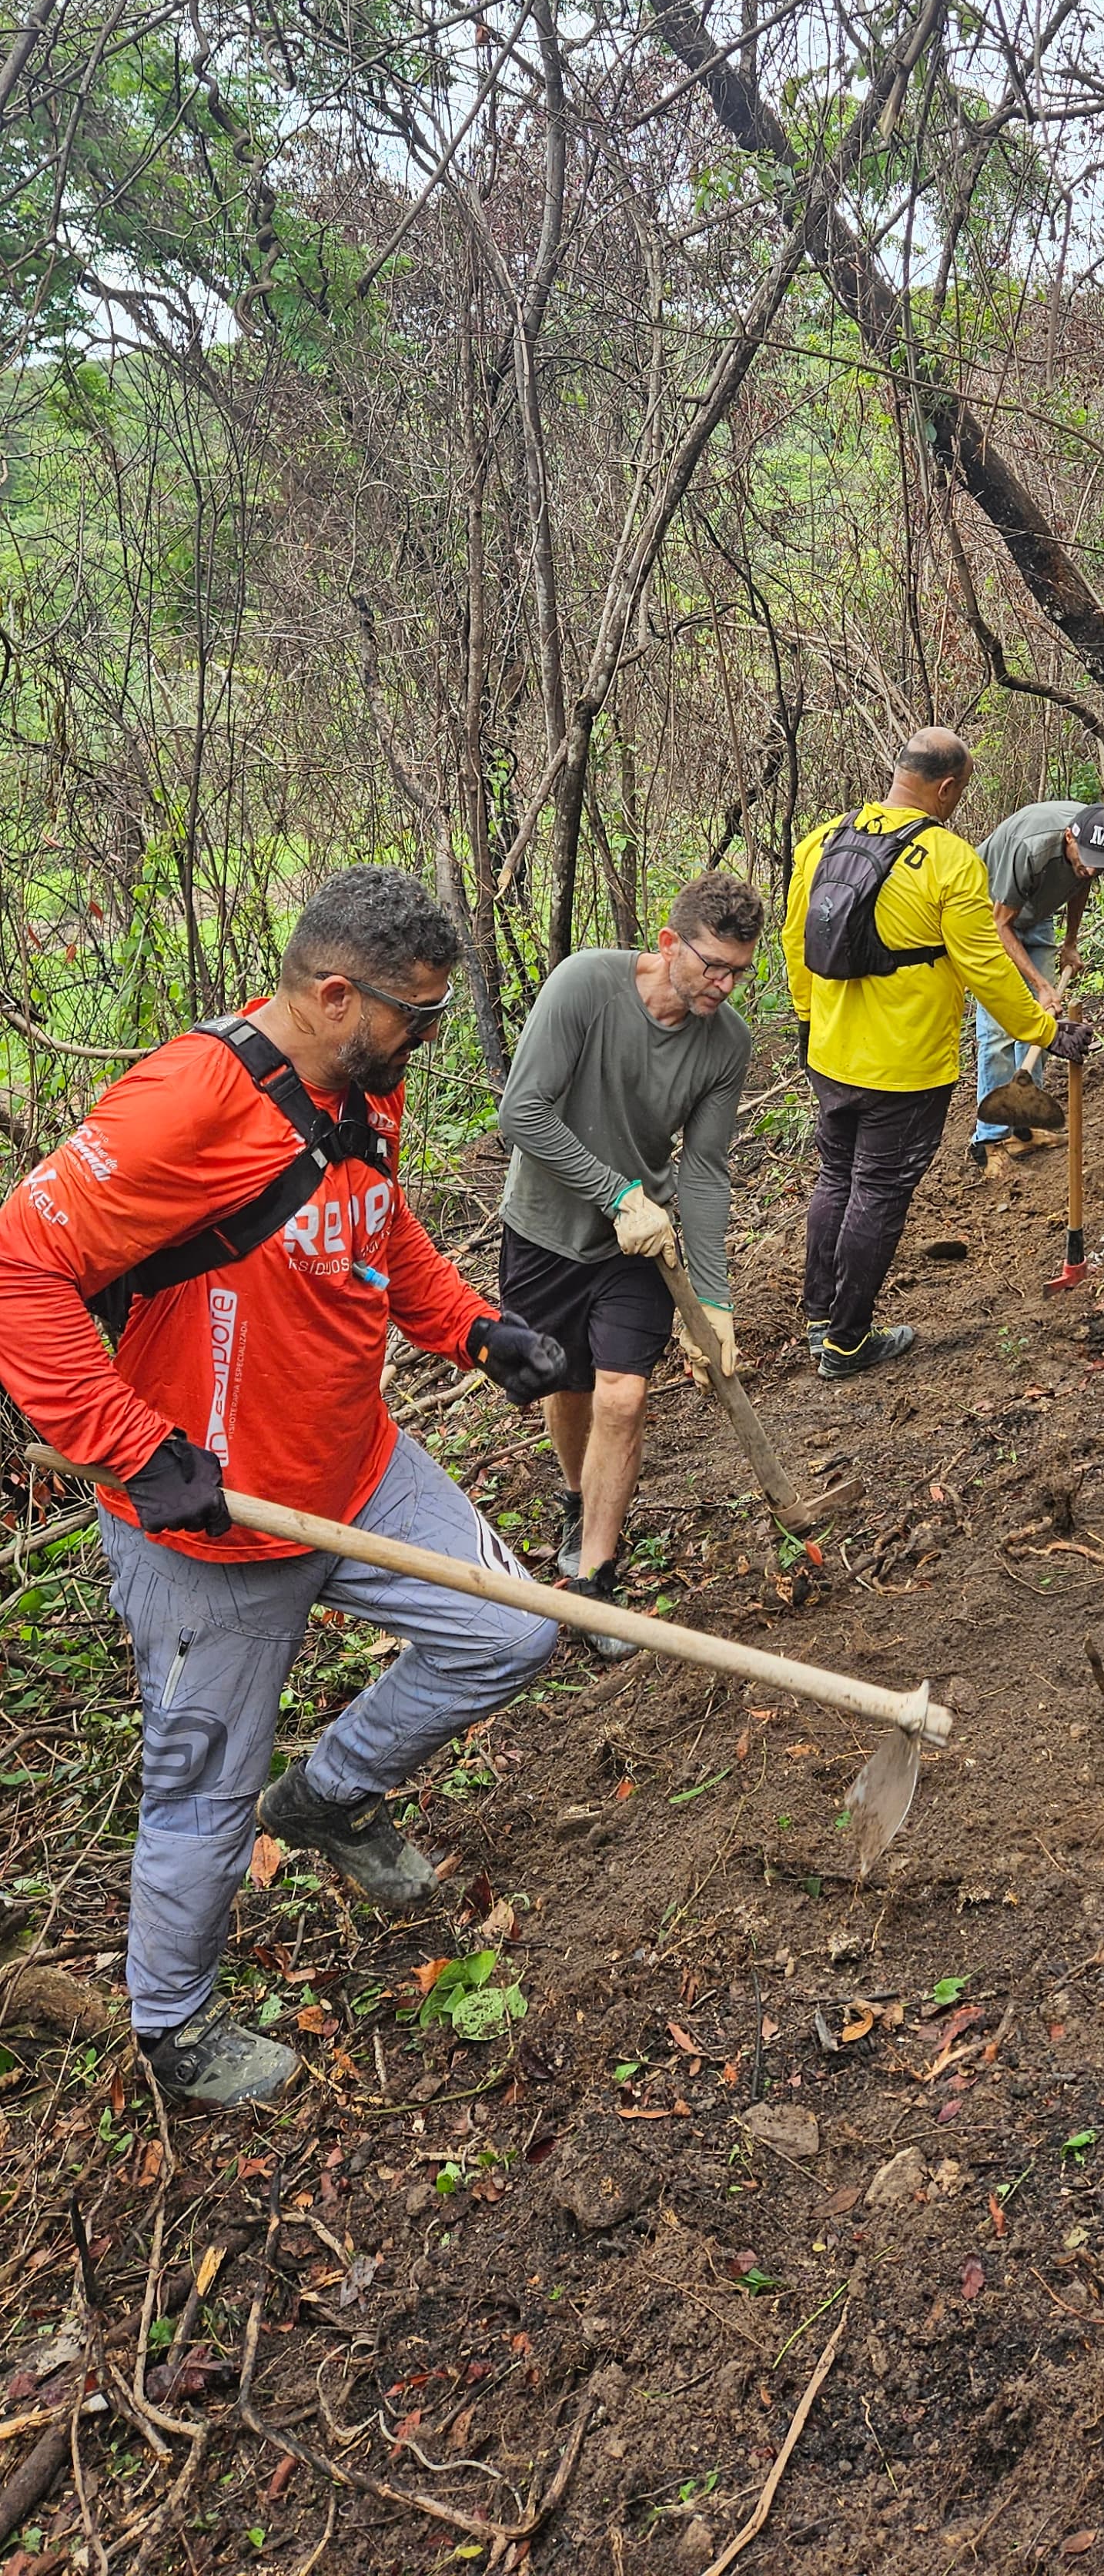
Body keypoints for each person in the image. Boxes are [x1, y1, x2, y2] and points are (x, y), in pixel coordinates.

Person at [0, 866, 570, 2110]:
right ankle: (170, 2024)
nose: (425, 1040)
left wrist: (474, 1331)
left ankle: (328, 1796)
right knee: (201, 1788)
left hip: (356, 1467)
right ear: (331, 992)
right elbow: (18, 1266)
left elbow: (380, 1230)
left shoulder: (369, 1082)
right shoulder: (185, 1105)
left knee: (517, 1629)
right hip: (208, 1526)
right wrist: (133, 1449)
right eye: (413, 1017)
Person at [495, 871, 762, 1636]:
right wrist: (615, 1194)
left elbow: (706, 1171)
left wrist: (714, 1302)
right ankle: (577, 1498)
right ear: (668, 942)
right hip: (547, 1228)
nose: (722, 984)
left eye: (738, 972)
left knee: (623, 1395)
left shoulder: (725, 1044)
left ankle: (594, 1578)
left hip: (638, 1246)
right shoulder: (586, 985)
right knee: (568, 1384)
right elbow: (523, 1111)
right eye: (710, 964)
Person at [782, 728, 1092, 1379]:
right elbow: (987, 969)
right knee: (877, 1190)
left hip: (830, 1052)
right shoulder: (950, 860)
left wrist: (811, 1021)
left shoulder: (824, 838)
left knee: (835, 1178)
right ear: (948, 788)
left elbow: (795, 939)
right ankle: (846, 1342)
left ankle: (819, 1320)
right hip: (906, 1065)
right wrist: (1044, 1032)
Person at [970, 798, 1104, 1168]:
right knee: (998, 1031)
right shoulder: (1032, 846)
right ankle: (989, 1142)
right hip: (987, 915)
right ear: (1069, 837)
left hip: (1034, 913)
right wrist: (1041, 984)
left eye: (1099, 864)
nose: (1090, 869)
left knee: (1041, 1026)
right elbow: (999, 924)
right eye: (1085, 858)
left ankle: (1025, 1127)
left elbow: (1079, 884)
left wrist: (1070, 943)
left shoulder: (1089, 846)